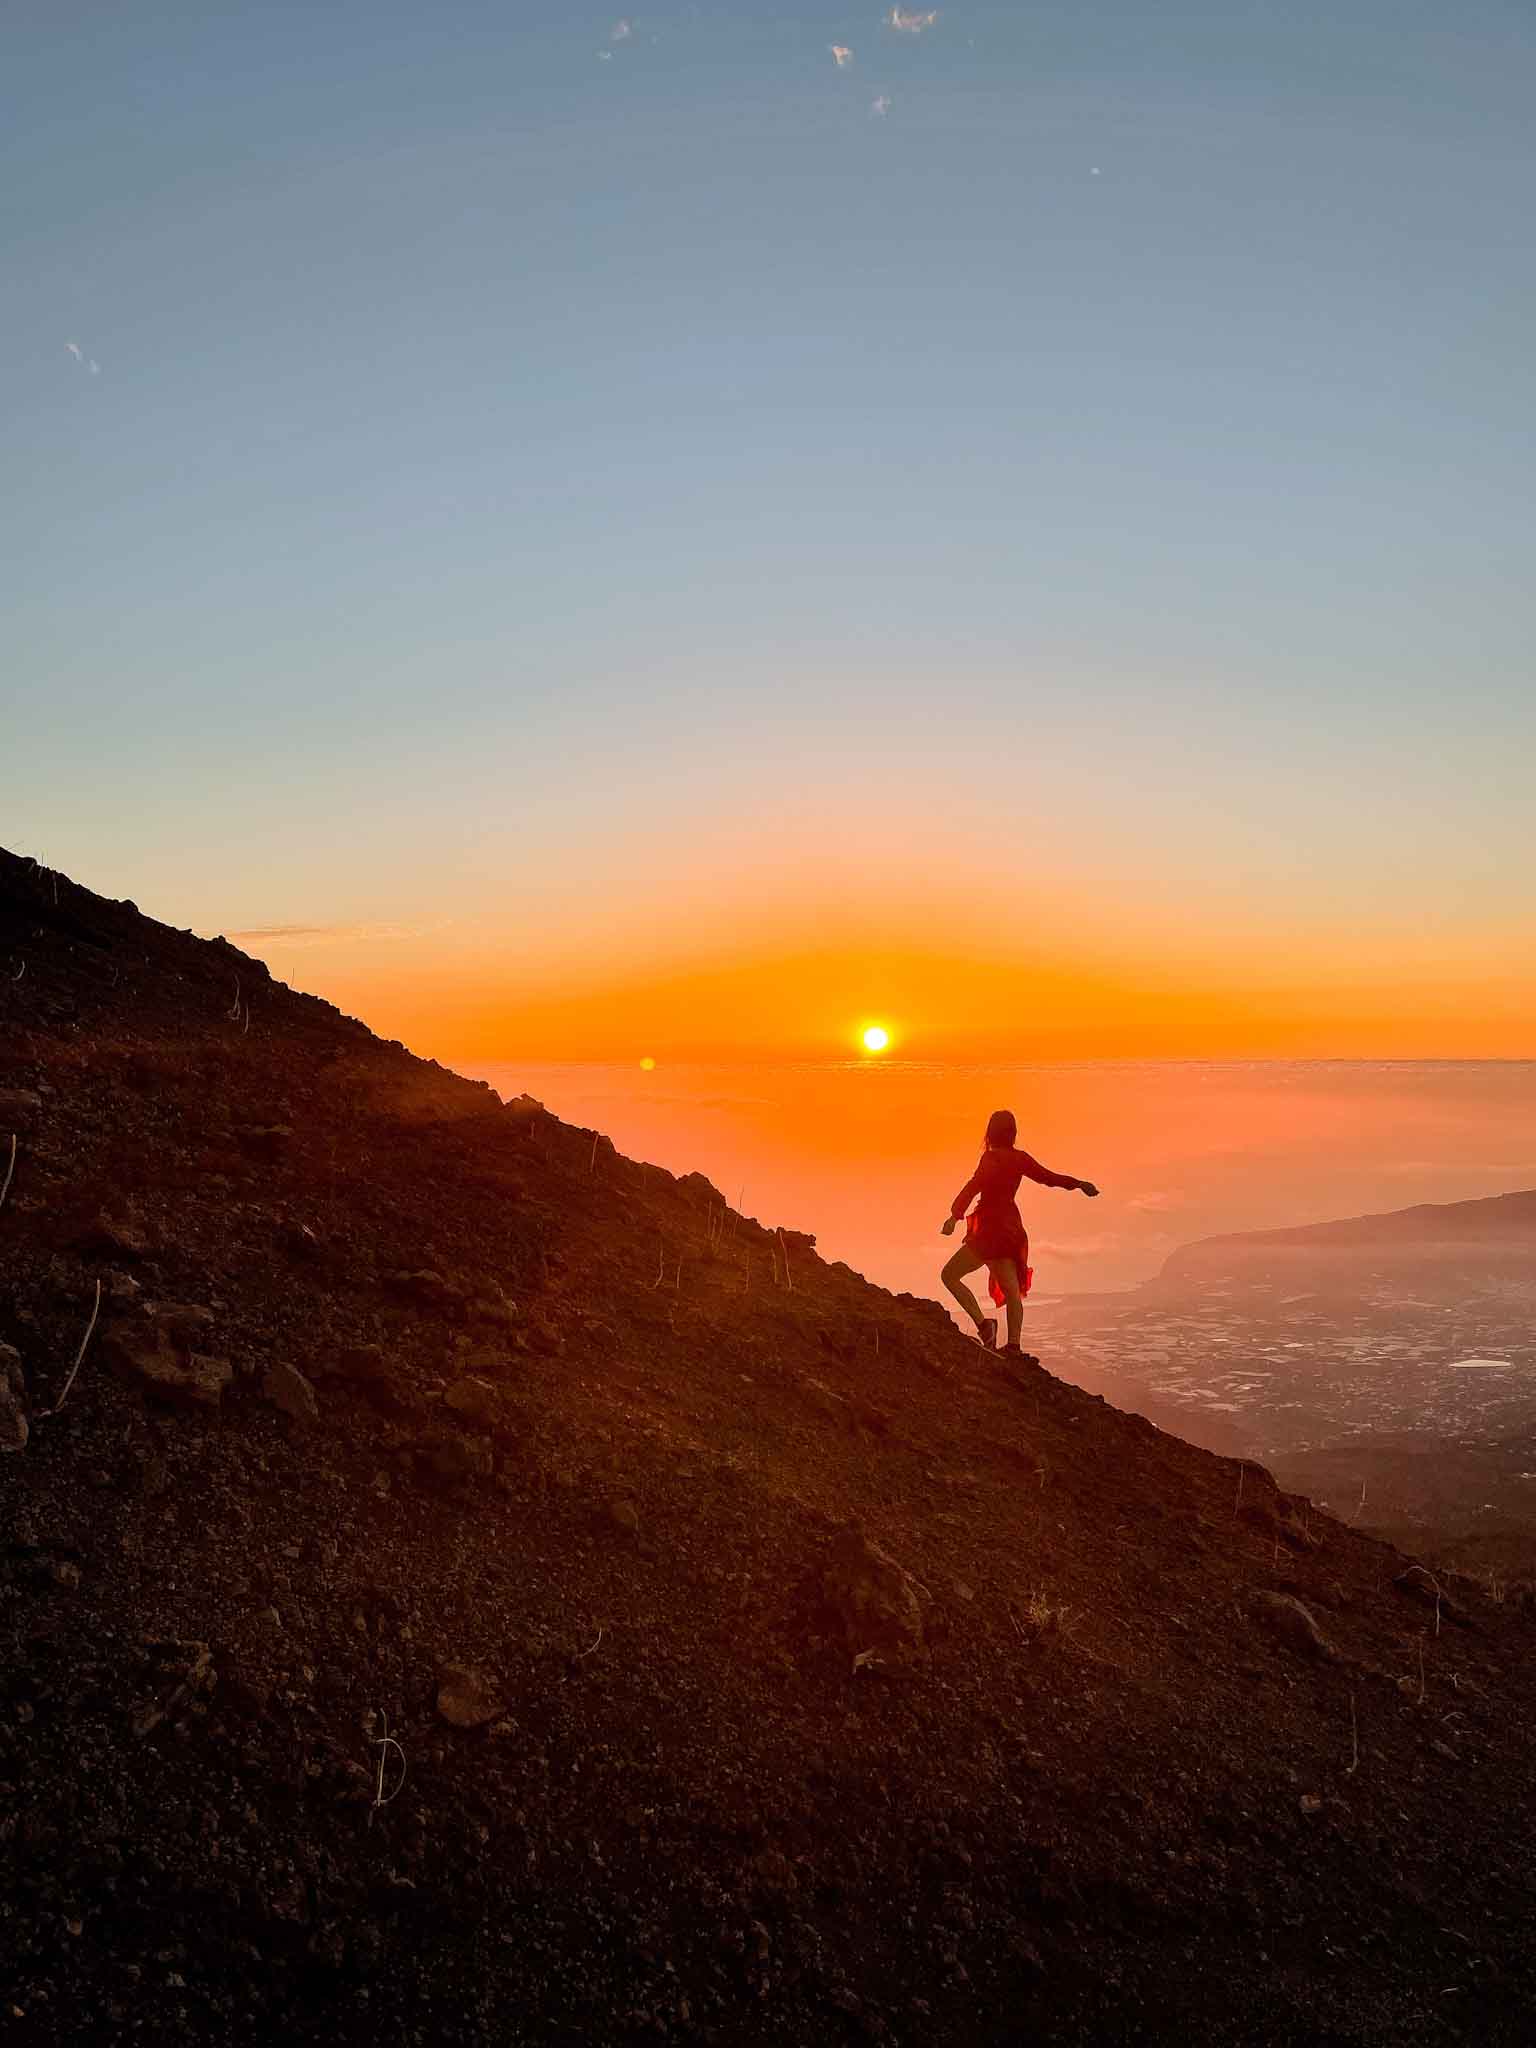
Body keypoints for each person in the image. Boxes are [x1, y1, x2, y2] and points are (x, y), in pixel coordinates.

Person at [941, 1109, 1098, 1360]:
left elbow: (973, 1186)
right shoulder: (1020, 1159)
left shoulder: (990, 1159)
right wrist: (1078, 1184)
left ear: (990, 1133)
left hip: (989, 1229)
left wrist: (955, 1215)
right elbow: (1049, 1178)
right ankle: (1014, 1345)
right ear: (1013, 1133)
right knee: (1012, 1291)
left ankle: (985, 1326)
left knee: (949, 1275)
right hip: (1011, 1229)